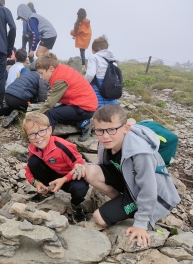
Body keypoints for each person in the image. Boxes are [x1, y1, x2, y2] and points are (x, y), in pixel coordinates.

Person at [81, 104, 180, 246]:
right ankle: (121, 201)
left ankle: (133, 206)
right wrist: (82, 167)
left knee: (99, 218)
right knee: (89, 171)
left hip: (143, 192)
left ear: (126, 128)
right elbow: (104, 164)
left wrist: (140, 223)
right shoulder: (106, 143)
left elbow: (149, 188)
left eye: (112, 129)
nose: (105, 136)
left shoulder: (140, 153)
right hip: (128, 182)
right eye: (100, 131)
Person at [23, 112, 89, 222]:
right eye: (32, 134)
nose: (38, 137)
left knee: (80, 188)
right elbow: (29, 169)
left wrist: (64, 179)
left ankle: (76, 205)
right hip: (53, 177)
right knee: (33, 161)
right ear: (28, 136)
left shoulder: (63, 146)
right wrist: (35, 182)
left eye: (41, 131)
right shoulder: (33, 147)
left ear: (49, 130)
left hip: (69, 178)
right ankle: (47, 191)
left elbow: (80, 167)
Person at [36, 52, 98, 142]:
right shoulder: (60, 70)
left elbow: (50, 103)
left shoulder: (60, 79)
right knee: (59, 113)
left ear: (51, 68)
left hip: (84, 108)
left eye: (41, 73)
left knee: (51, 114)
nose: (41, 77)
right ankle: (83, 123)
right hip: (83, 105)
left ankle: (45, 142)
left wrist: (37, 117)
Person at [0, 62, 49, 128]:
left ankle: (0, 110)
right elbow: (42, 97)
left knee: (14, 107)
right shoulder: (41, 77)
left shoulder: (26, 73)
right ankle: (16, 116)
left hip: (8, 95)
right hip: (20, 98)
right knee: (27, 109)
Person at [85, 35, 120, 108]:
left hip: (98, 92)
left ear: (93, 50)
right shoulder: (112, 60)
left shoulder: (94, 57)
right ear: (106, 48)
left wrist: (84, 83)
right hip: (111, 89)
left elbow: (90, 74)